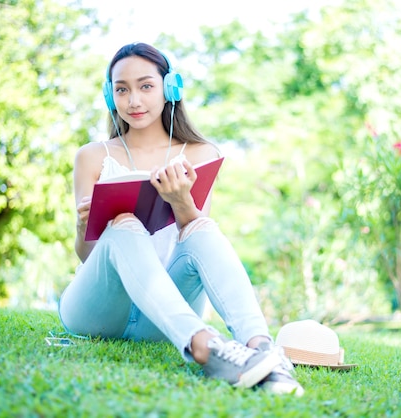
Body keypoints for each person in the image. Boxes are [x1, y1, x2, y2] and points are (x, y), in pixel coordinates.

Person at [58, 42, 303, 395]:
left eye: (145, 86)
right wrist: (84, 226)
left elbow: (197, 242)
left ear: (170, 88)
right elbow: (86, 256)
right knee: (124, 224)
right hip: (98, 312)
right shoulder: (92, 156)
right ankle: (204, 344)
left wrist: (180, 201)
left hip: (160, 317)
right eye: (122, 90)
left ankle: (262, 350)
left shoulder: (201, 154)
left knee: (203, 228)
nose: (134, 101)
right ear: (110, 97)